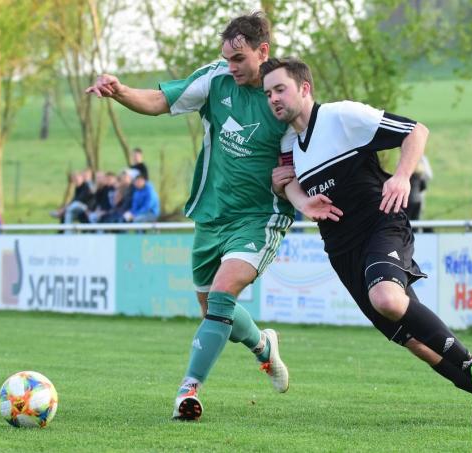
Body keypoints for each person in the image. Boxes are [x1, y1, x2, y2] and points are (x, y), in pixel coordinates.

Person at [263, 57, 472, 419]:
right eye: (268, 93)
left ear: (304, 88)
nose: (273, 99)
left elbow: (416, 131)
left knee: (388, 298)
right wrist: (301, 200)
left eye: (280, 89)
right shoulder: (287, 142)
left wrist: (403, 175)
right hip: (342, 251)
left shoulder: (341, 116)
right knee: (418, 343)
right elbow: (284, 183)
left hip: (382, 224)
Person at [86, 12, 295, 421]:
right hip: (211, 212)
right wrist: (120, 91)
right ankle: (263, 347)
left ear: (262, 51)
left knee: (221, 295)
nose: (231, 66)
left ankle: (188, 389)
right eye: (227, 58)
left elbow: (307, 145)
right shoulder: (215, 79)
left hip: (259, 217)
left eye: (239, 58)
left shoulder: (282, 93)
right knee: (213, 309)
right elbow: (162, 101)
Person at [408, 155, 432, 231]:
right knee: (416, 220)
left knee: (407, 221)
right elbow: (423, 187)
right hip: (418, 200)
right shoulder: (419, 176)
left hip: (408, 201)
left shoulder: (407, 176)